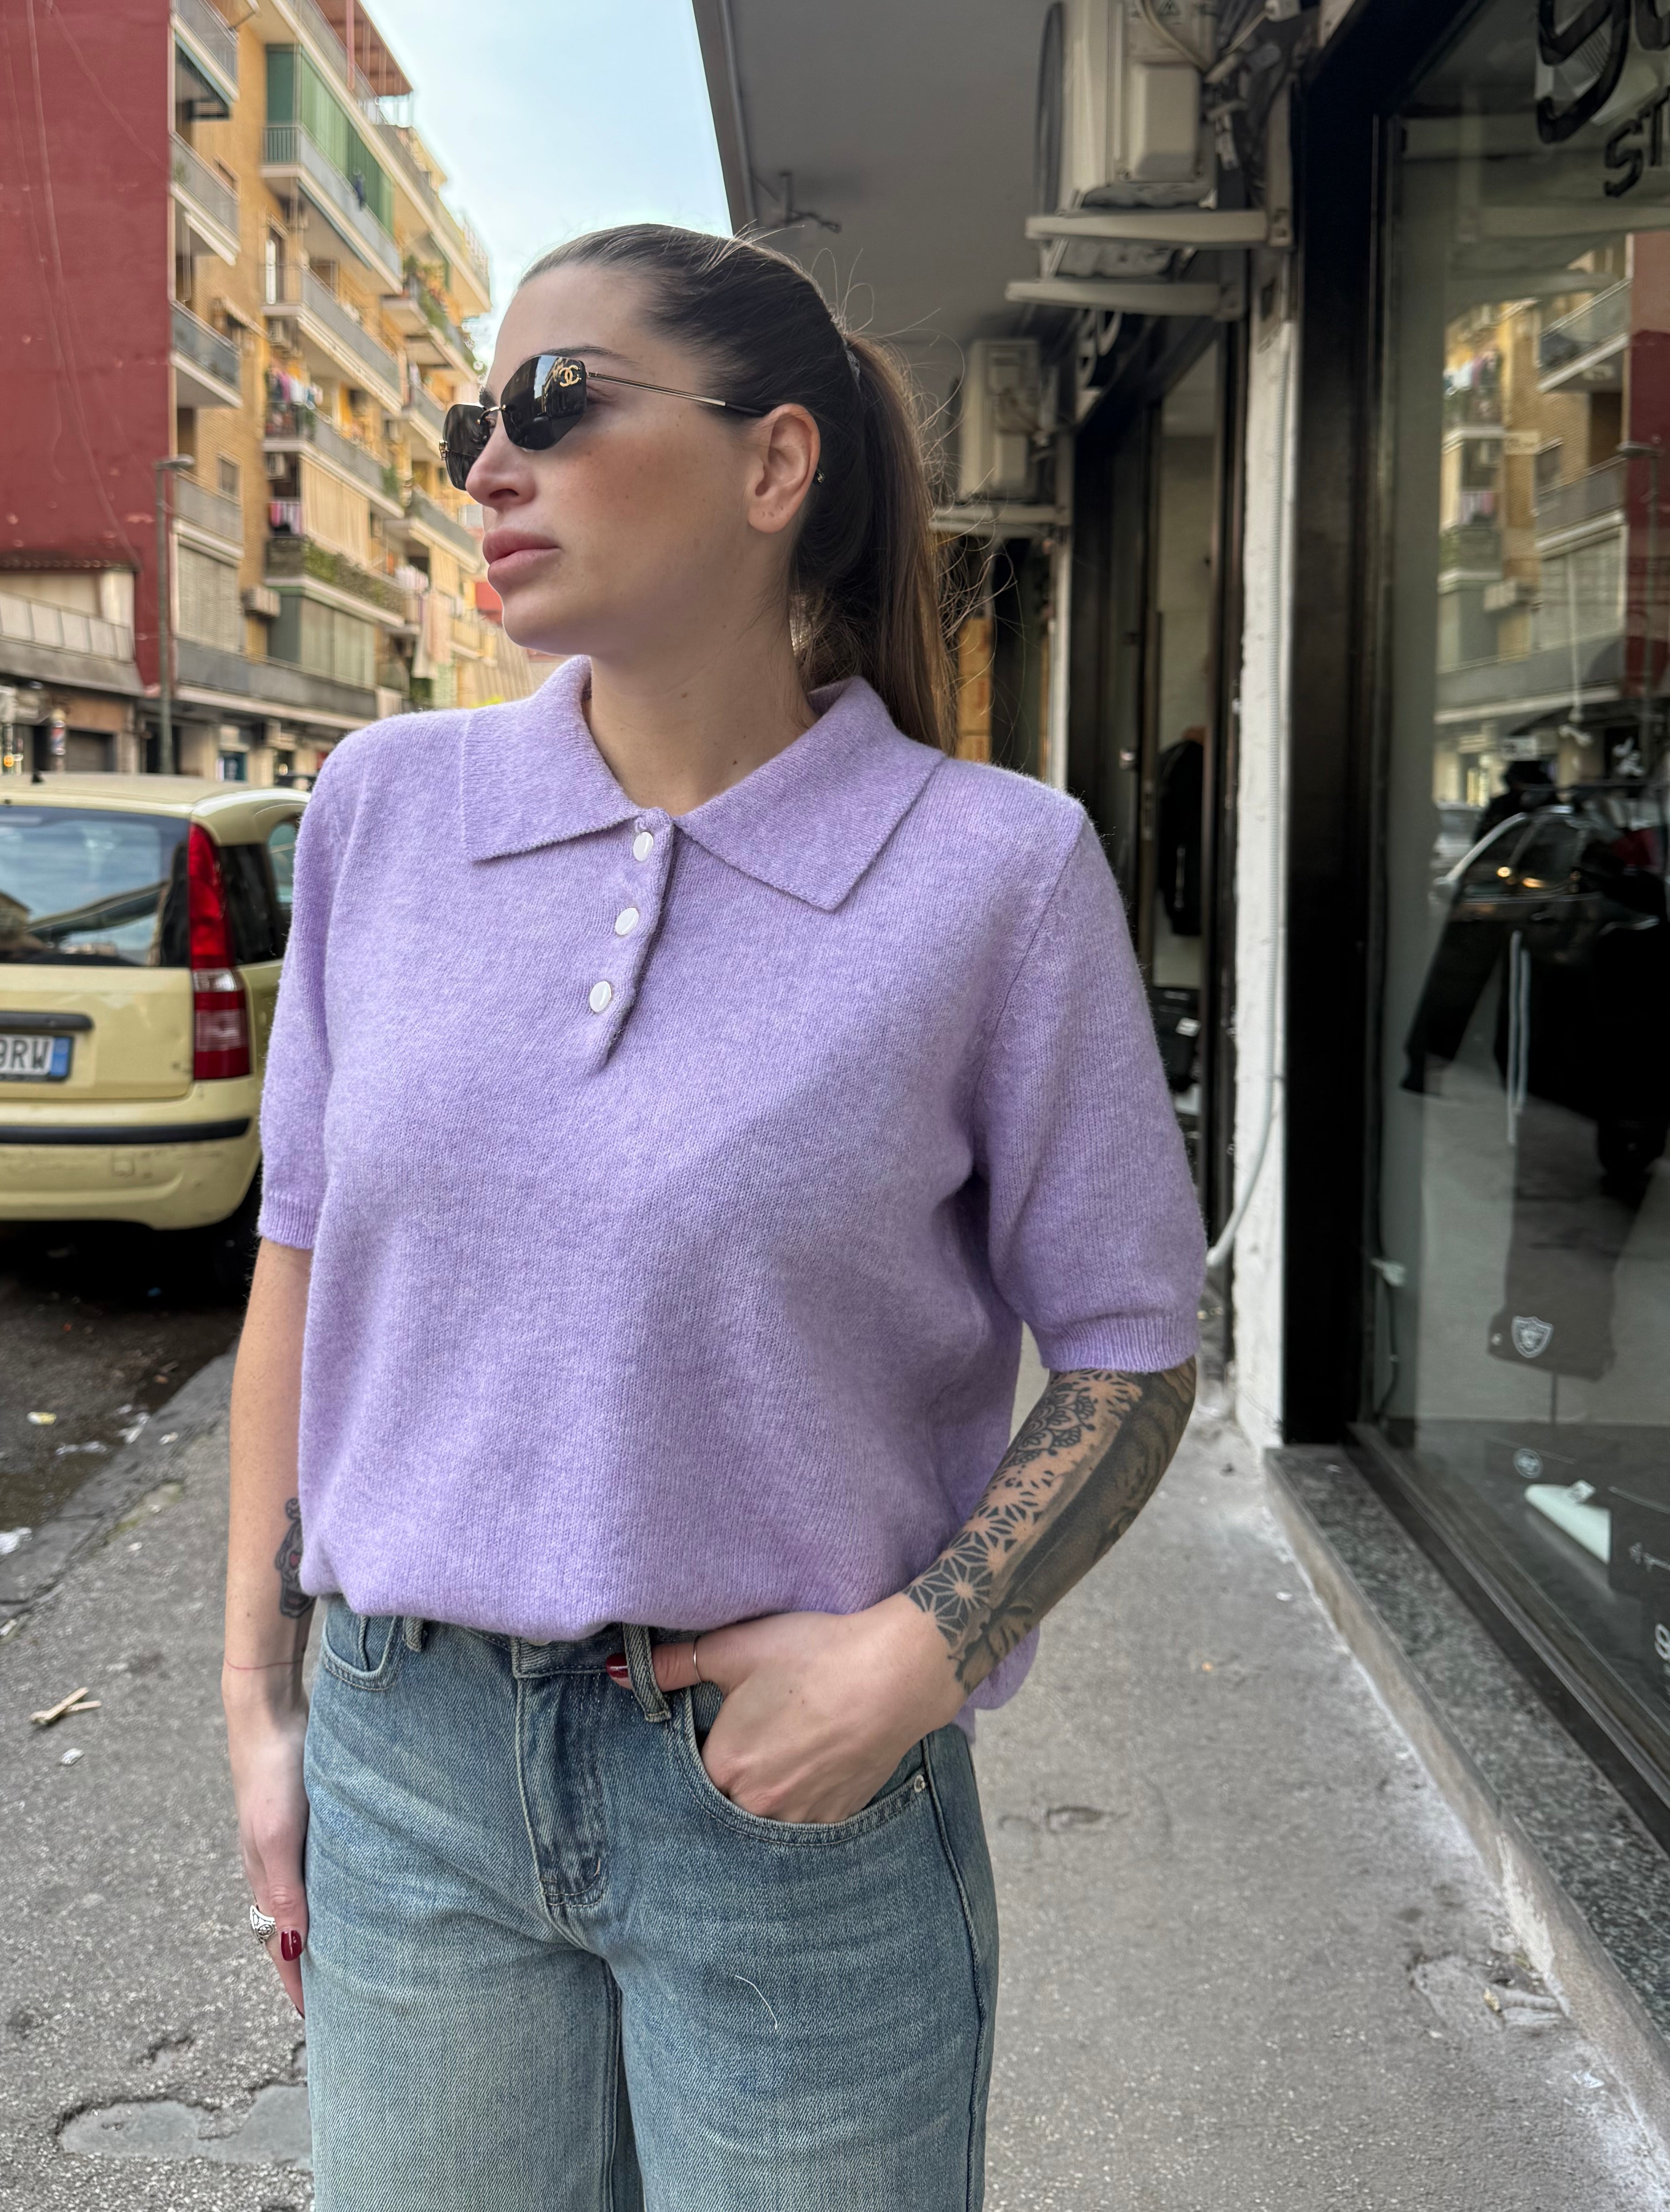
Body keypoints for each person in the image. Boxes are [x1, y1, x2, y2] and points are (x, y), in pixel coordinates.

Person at [223, 224, 1206, 2211]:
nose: (491, 466)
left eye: (556, 404)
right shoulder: (383, 812)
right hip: (406, 1764)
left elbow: (1130, 1351)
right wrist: (258, 1706)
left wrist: (918, 1657)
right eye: (471, 424)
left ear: (776, 465)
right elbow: (300, 1263)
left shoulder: (993, 874)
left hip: (788, 1801)